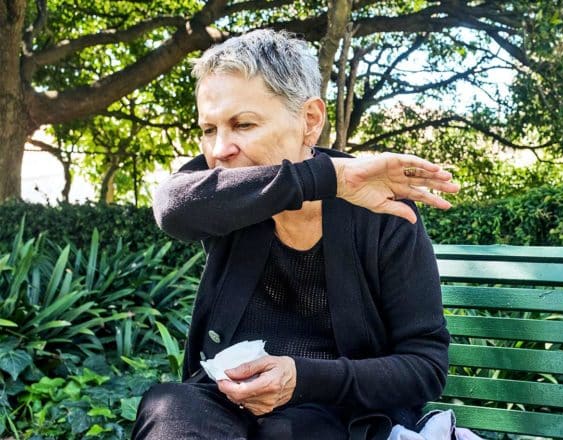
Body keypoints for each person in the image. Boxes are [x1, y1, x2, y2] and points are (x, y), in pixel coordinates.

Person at [132, 29, 460, 440]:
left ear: (310, 120)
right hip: (226, 404)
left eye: (243, 124)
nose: (219, 149)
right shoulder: (233, 193)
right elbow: (171, 206)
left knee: (292, 431)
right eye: (208, 129)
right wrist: (324, 177)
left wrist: (302, 377)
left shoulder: (383, 212)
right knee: (170, 409)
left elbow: (424, 366)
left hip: (340, 414)